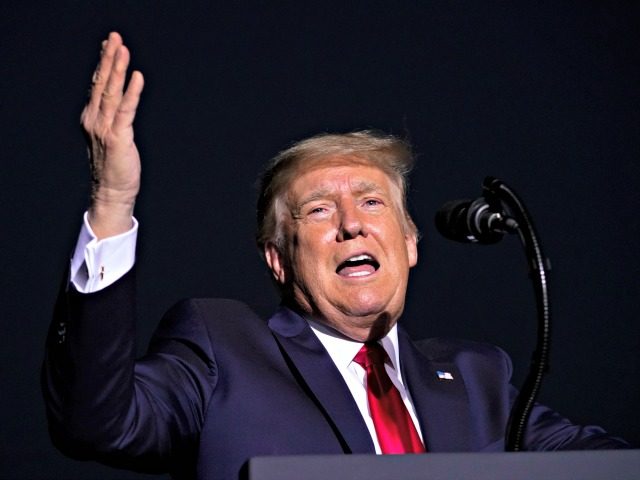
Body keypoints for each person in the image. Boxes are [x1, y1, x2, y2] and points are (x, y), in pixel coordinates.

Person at [42, 32, 627, 480]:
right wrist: (113, 201)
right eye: (319, 210)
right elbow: (97, 423)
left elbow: (605, 463)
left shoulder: (480, 378)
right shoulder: (221, 350)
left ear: (411, 242)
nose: (352, 224)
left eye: (372, 202)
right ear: (278, 259)